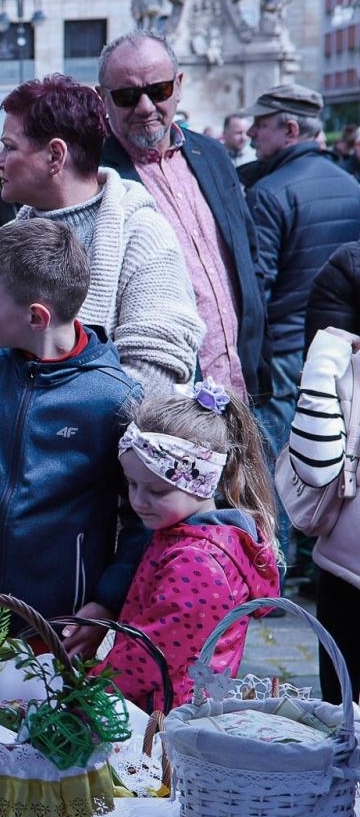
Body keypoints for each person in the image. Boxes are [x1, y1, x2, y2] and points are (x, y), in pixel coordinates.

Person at [0, 219, 145, 623]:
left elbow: (140, 517)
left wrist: (108, 602)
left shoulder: (115, 398)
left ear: (36, 317)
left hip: (59, 624)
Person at [0, 74, 204, 406]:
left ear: (55, 157)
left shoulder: (143, 235)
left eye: (9, 146)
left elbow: (154, 370)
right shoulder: (8, 235)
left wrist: (46, 430)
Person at [67, 383, 280, 709]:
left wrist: (89, 696)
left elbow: (152, 654)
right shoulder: (184, 534)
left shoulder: (198, 562)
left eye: (157, 490)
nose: (139, 501)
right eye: (133, 484)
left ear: (201, 481)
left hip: (167, 716)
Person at [98, 30, 268, 406]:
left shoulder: (213, 155)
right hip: (166, 401)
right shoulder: (95, 177)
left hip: (243, 390)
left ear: (178, 86)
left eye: (157, 90)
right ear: (103, 99)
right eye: (127, 96)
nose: (144, 107)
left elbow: (248, 259)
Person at [242, 83, 360, 498]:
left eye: (261, 125)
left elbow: (256, 288)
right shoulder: (351, 185)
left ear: (290, 129)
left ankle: (283, 561)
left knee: (286, 472)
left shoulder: (268, 193)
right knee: (340, 460)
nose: (253, 134)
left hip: (289, 353)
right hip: (345, 348)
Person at [285, 326, 360, 702]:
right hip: (345, 576)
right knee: (343, 720)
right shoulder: (349, 366)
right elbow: (316, 468)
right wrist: (323, 365)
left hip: (345, 572)